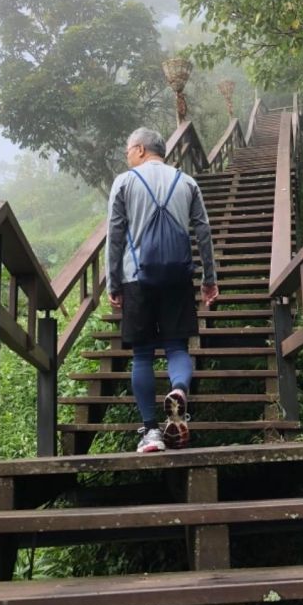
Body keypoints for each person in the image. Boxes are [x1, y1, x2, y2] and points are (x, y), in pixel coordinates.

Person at [106, 127, 219, 453]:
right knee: (176, 347)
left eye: (128, 149)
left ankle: (152, 432)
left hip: (136, 278)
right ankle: (180, 391)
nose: (127, 156)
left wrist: (113, 282)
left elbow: (115, 235)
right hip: (178, 277)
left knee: (142, 354)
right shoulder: (187, 182)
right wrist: (209, 279)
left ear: (140, 149)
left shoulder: (124, 182)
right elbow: (204, 230)